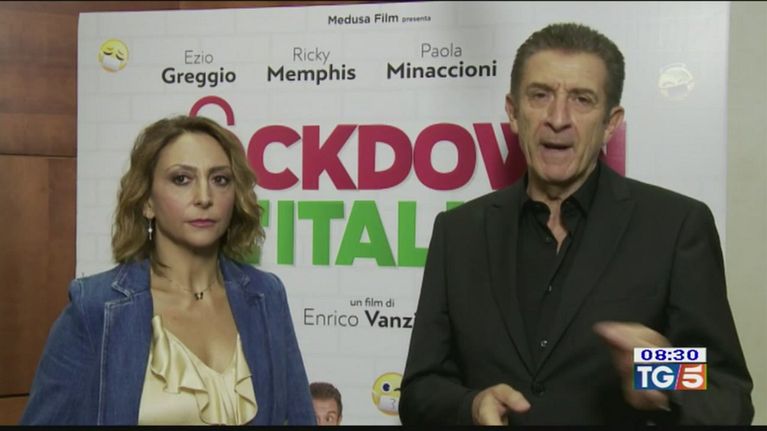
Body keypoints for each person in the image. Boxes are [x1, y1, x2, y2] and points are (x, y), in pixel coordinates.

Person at [399, 23, 753, 425]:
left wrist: (658, 372)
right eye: (540, 95)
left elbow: (727, 393)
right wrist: (472, 406)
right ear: (513, 112)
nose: (558, 118)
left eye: (582, 99)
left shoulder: (676, 226)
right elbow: (420, 390)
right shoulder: (459, 231)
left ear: (611, 123)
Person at [20, 115, 316, 425]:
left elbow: (299, 416)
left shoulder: (266, 295)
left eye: (220, 180)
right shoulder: (95, 308)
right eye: (182, 179)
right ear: (147, 201)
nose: (204, 198)